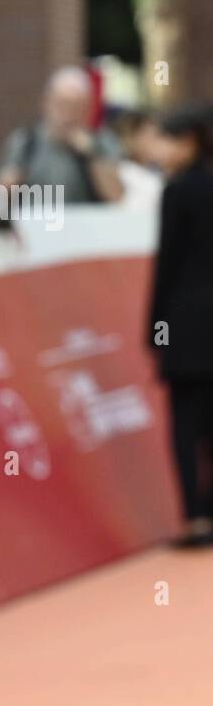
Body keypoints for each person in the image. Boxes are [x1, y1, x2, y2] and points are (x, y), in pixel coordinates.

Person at [148, 103, 213, 548]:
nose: (158, 149)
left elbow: (167, 264)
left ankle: (195, 518)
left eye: (165, 139)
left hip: (187, 327)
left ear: (188, 140)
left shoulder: (178, 191)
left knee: (186, 424)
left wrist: (154, 327)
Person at [0, 66, 125, 204]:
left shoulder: (102, 142)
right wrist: (8, 184)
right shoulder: (25, 142)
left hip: (86, 223)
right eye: (62, 105)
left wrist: (91, 154)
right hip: (34, 222)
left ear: (88, 109)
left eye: (76, 107)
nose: (68, 114)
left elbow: (116, 196)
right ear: (46, 103)